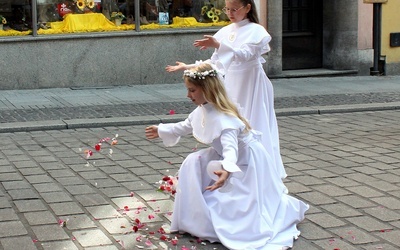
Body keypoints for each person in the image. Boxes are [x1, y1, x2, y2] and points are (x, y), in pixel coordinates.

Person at [146, 63, 308, 250]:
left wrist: (226, 168)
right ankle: (195, 213)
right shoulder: (202, 110)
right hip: (224, 156)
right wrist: (162, 129)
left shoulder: (226, 119)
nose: (188, 95)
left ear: (207, 89)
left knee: (236, 203)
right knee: (193, 161)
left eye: (192, 90)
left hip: (245, 162)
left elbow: (231, 149)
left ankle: (226, 221)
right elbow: (184, 126)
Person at [165, 0, 287, 180]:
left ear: (247, 8)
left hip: (250, 82)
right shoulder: (225, 31)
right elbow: (215, 62)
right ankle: (231, 163)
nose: (230, 13)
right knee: (229, 122)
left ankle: (259, 168)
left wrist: (219, 45)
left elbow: (244, 54)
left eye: (234, 9)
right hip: (231, 82)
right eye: (227, 9)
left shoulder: (257, 31)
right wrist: (187, 67)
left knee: (252, 121)